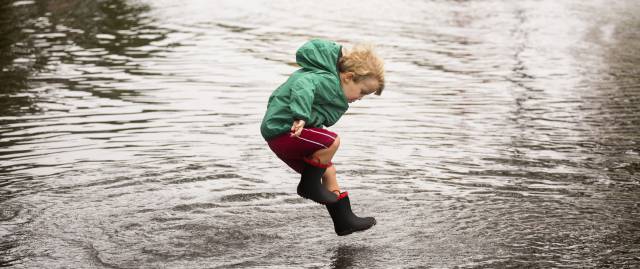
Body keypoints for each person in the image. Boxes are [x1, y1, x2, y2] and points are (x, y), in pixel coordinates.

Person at [260, 39, 385, 236]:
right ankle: (309, 186)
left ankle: (343, 220)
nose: (360, 98)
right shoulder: (328, 80)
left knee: (329, 172)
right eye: (362, 92)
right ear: (348, 77)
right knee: (331, 141)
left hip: (283, 134)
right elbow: (302, 84)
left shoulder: (333, 84)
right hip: (283, 130)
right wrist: (300, 115)